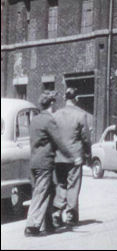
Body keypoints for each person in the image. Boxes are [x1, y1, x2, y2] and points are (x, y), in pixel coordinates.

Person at [24, 92, 78, 238]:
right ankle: (32, 226)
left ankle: (48, 224)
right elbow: (59, 141)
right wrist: (72, 157)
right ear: (52, 104)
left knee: (49, 191)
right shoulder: (49, 120)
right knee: (41, 193)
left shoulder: (34, 120)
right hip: (44, 162)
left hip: (34, 161)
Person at [52, 87, 92, 227]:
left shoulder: (56, 115)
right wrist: (88, 154)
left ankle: (56, 212)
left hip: (59, 156)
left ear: (65, 98)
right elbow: (86, 138)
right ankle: (70, 215)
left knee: (61, 184)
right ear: (77, 99)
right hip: (75, 156)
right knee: (73, 185)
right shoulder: (81, 115)